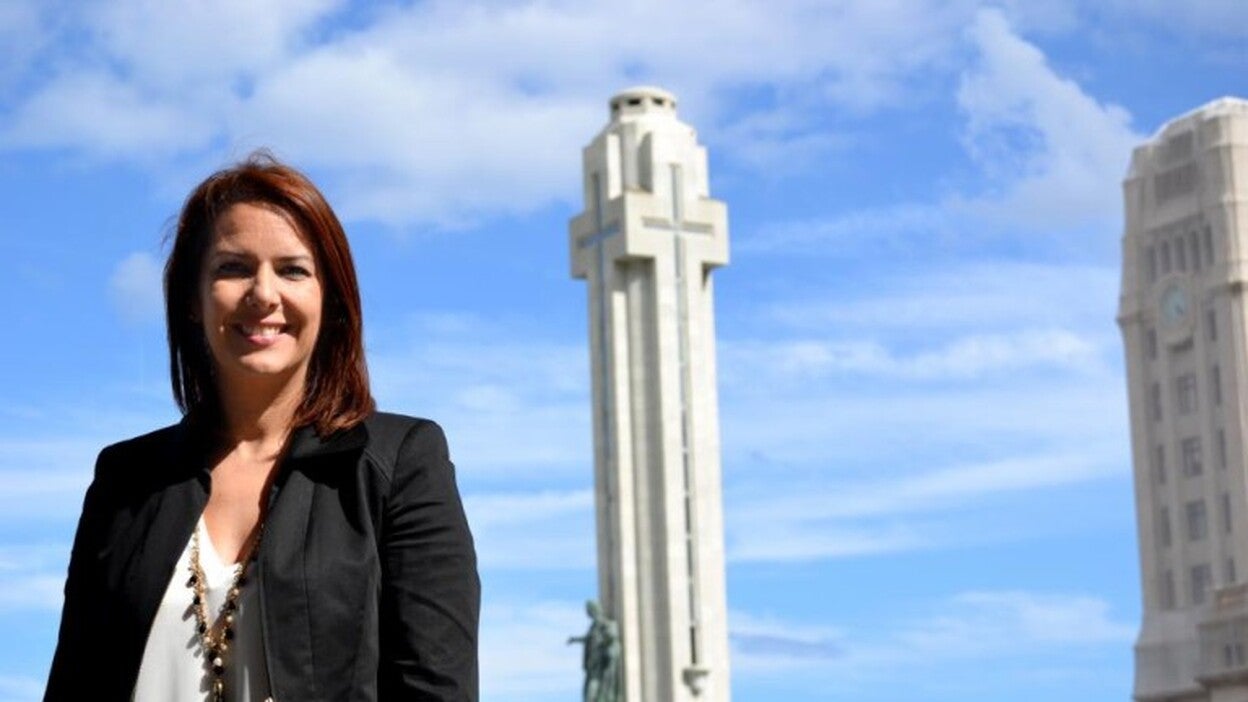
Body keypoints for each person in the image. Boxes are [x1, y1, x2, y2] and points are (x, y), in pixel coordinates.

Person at [44, 153, 480, 701]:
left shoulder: (400, 463)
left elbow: (435, 688)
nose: (264, 293)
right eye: (233, 267)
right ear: (192, 302)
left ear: (331, 302)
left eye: (293, 270)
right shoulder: (125, 480)